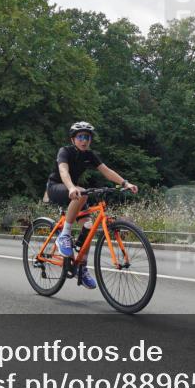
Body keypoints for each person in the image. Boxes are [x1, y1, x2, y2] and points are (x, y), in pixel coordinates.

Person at [46, 121, 138, 289]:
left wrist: (125, 183)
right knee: (81, 192)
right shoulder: (64, 152)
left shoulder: (89, 155)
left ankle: (82, 267)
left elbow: (107, 171)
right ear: (73, 139)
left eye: (87, 137)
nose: (84, 140)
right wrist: (71, 187)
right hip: (57, 188)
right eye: (80, 137)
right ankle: (64, 235)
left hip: (76, 193)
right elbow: (63, 172)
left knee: (89, 226)